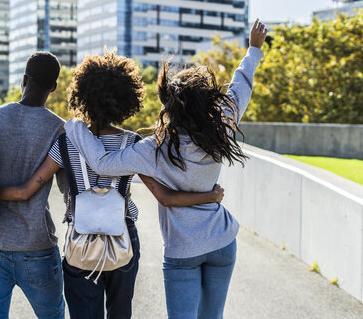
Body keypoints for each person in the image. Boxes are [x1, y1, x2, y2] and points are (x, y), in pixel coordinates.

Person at [0, 51, 225, 319]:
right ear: (125, 99)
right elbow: (165, 197)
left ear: (82, 95)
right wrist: (210, 195)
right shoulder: (134, 144)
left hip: (81, 239)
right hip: (122, 238)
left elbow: (25, 191)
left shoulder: (67, 142)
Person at [63, 20, 268, 319]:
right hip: (222, 241)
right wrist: (253, 49)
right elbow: (241, 87)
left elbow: (102, 163)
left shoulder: (154, 148)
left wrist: (76, 125)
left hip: (183, 250)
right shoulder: (220, 127)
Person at [0, 52, 65, 319]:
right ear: (54, 87)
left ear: (24, 79)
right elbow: (69, 191)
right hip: (37, 245)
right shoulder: (60, 129)